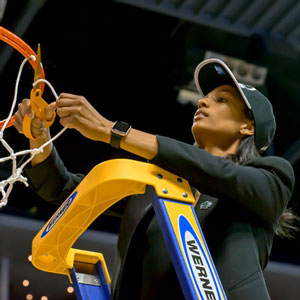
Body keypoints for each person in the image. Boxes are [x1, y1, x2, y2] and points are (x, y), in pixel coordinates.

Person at [14, 58, 296, 300]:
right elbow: (66, 191)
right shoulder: (152, 185)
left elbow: (223, 174)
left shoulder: (272, 177)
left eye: (221, 99)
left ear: (248, 126)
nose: (202, 100)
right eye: (205, 97)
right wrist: (38, 138)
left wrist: (112, 131)